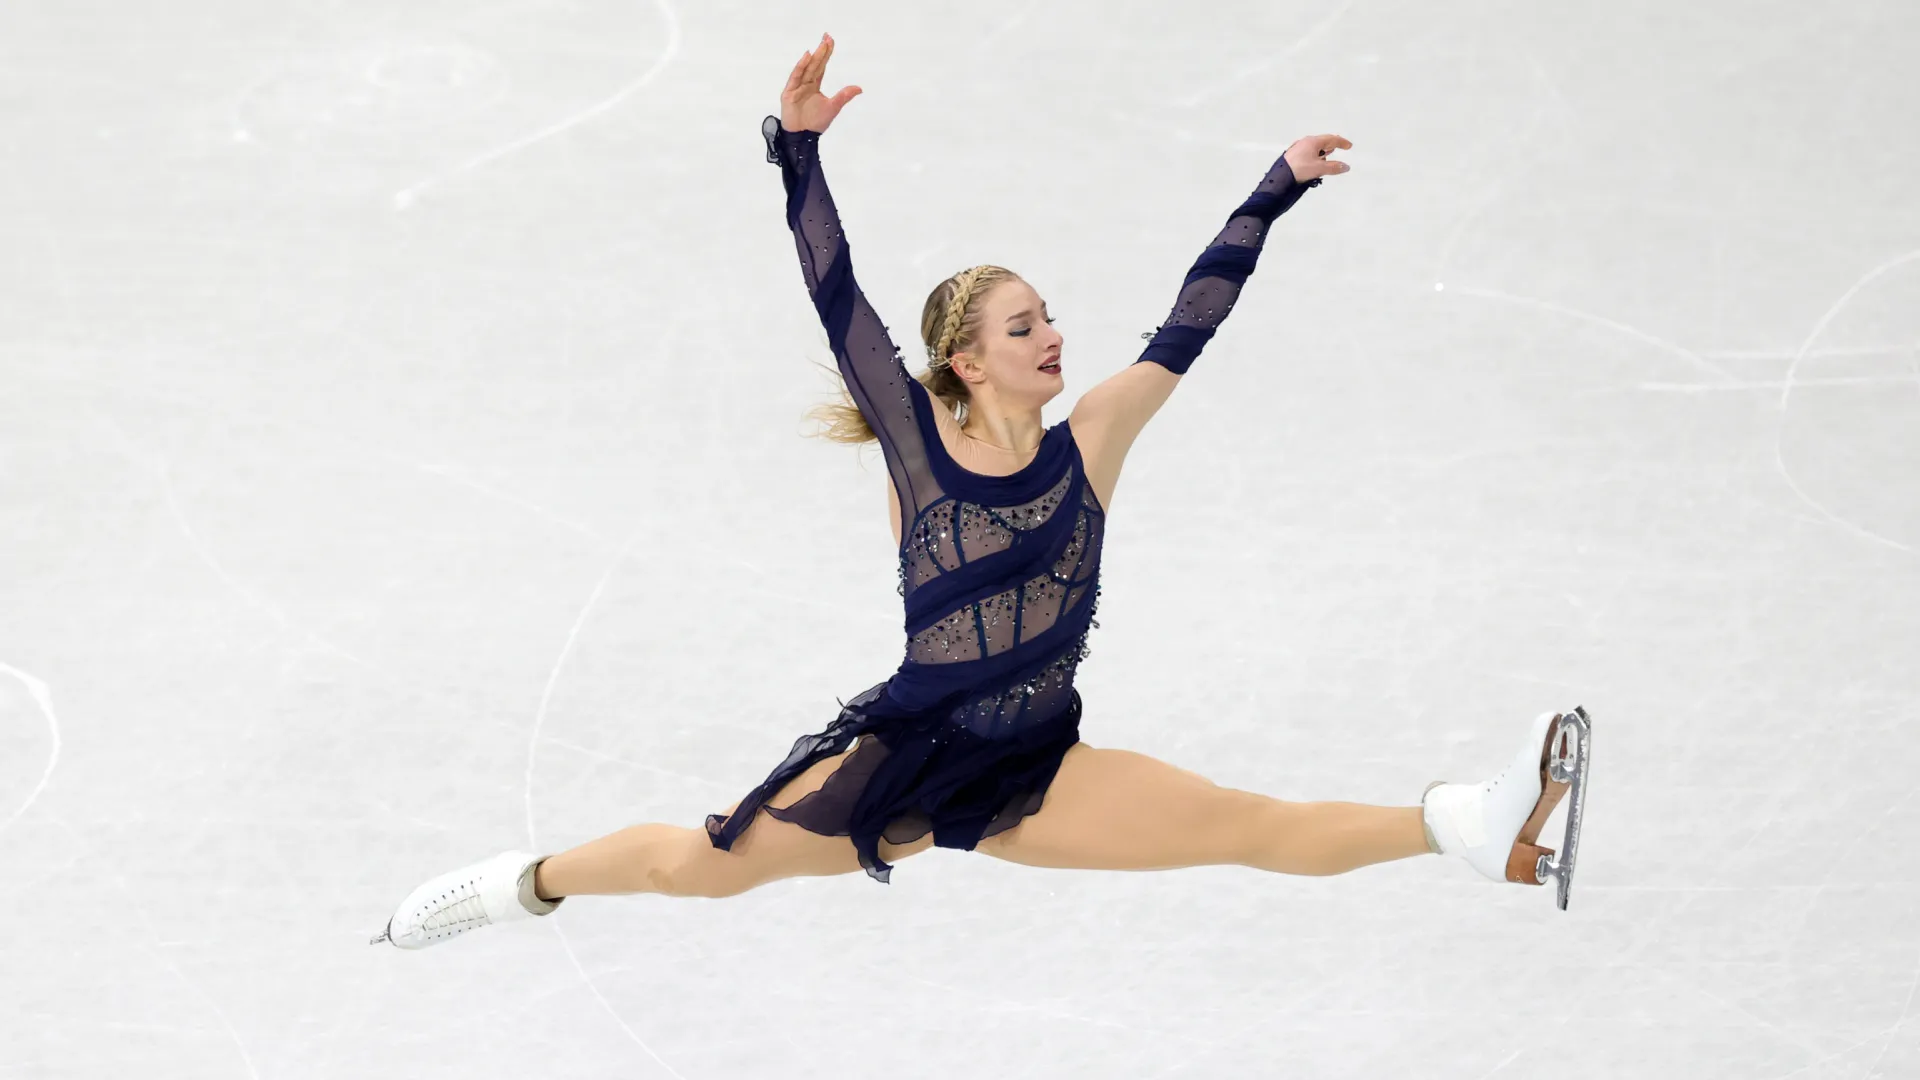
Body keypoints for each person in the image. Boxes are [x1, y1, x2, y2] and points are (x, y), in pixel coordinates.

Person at [373, 32, 1591, 950]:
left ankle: (1468, 826)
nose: (1054, 336)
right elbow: (838, 299)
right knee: (697, 866)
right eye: (1024, 326)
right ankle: (518, 884)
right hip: (908, 756)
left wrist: (1275, 185)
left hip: (1033, 769)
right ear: (966, 361)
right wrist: (798, 149)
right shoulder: (921, 454)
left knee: (1247, 824)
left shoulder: (1094, 437)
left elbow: (1192, 317)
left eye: (1050, 315)